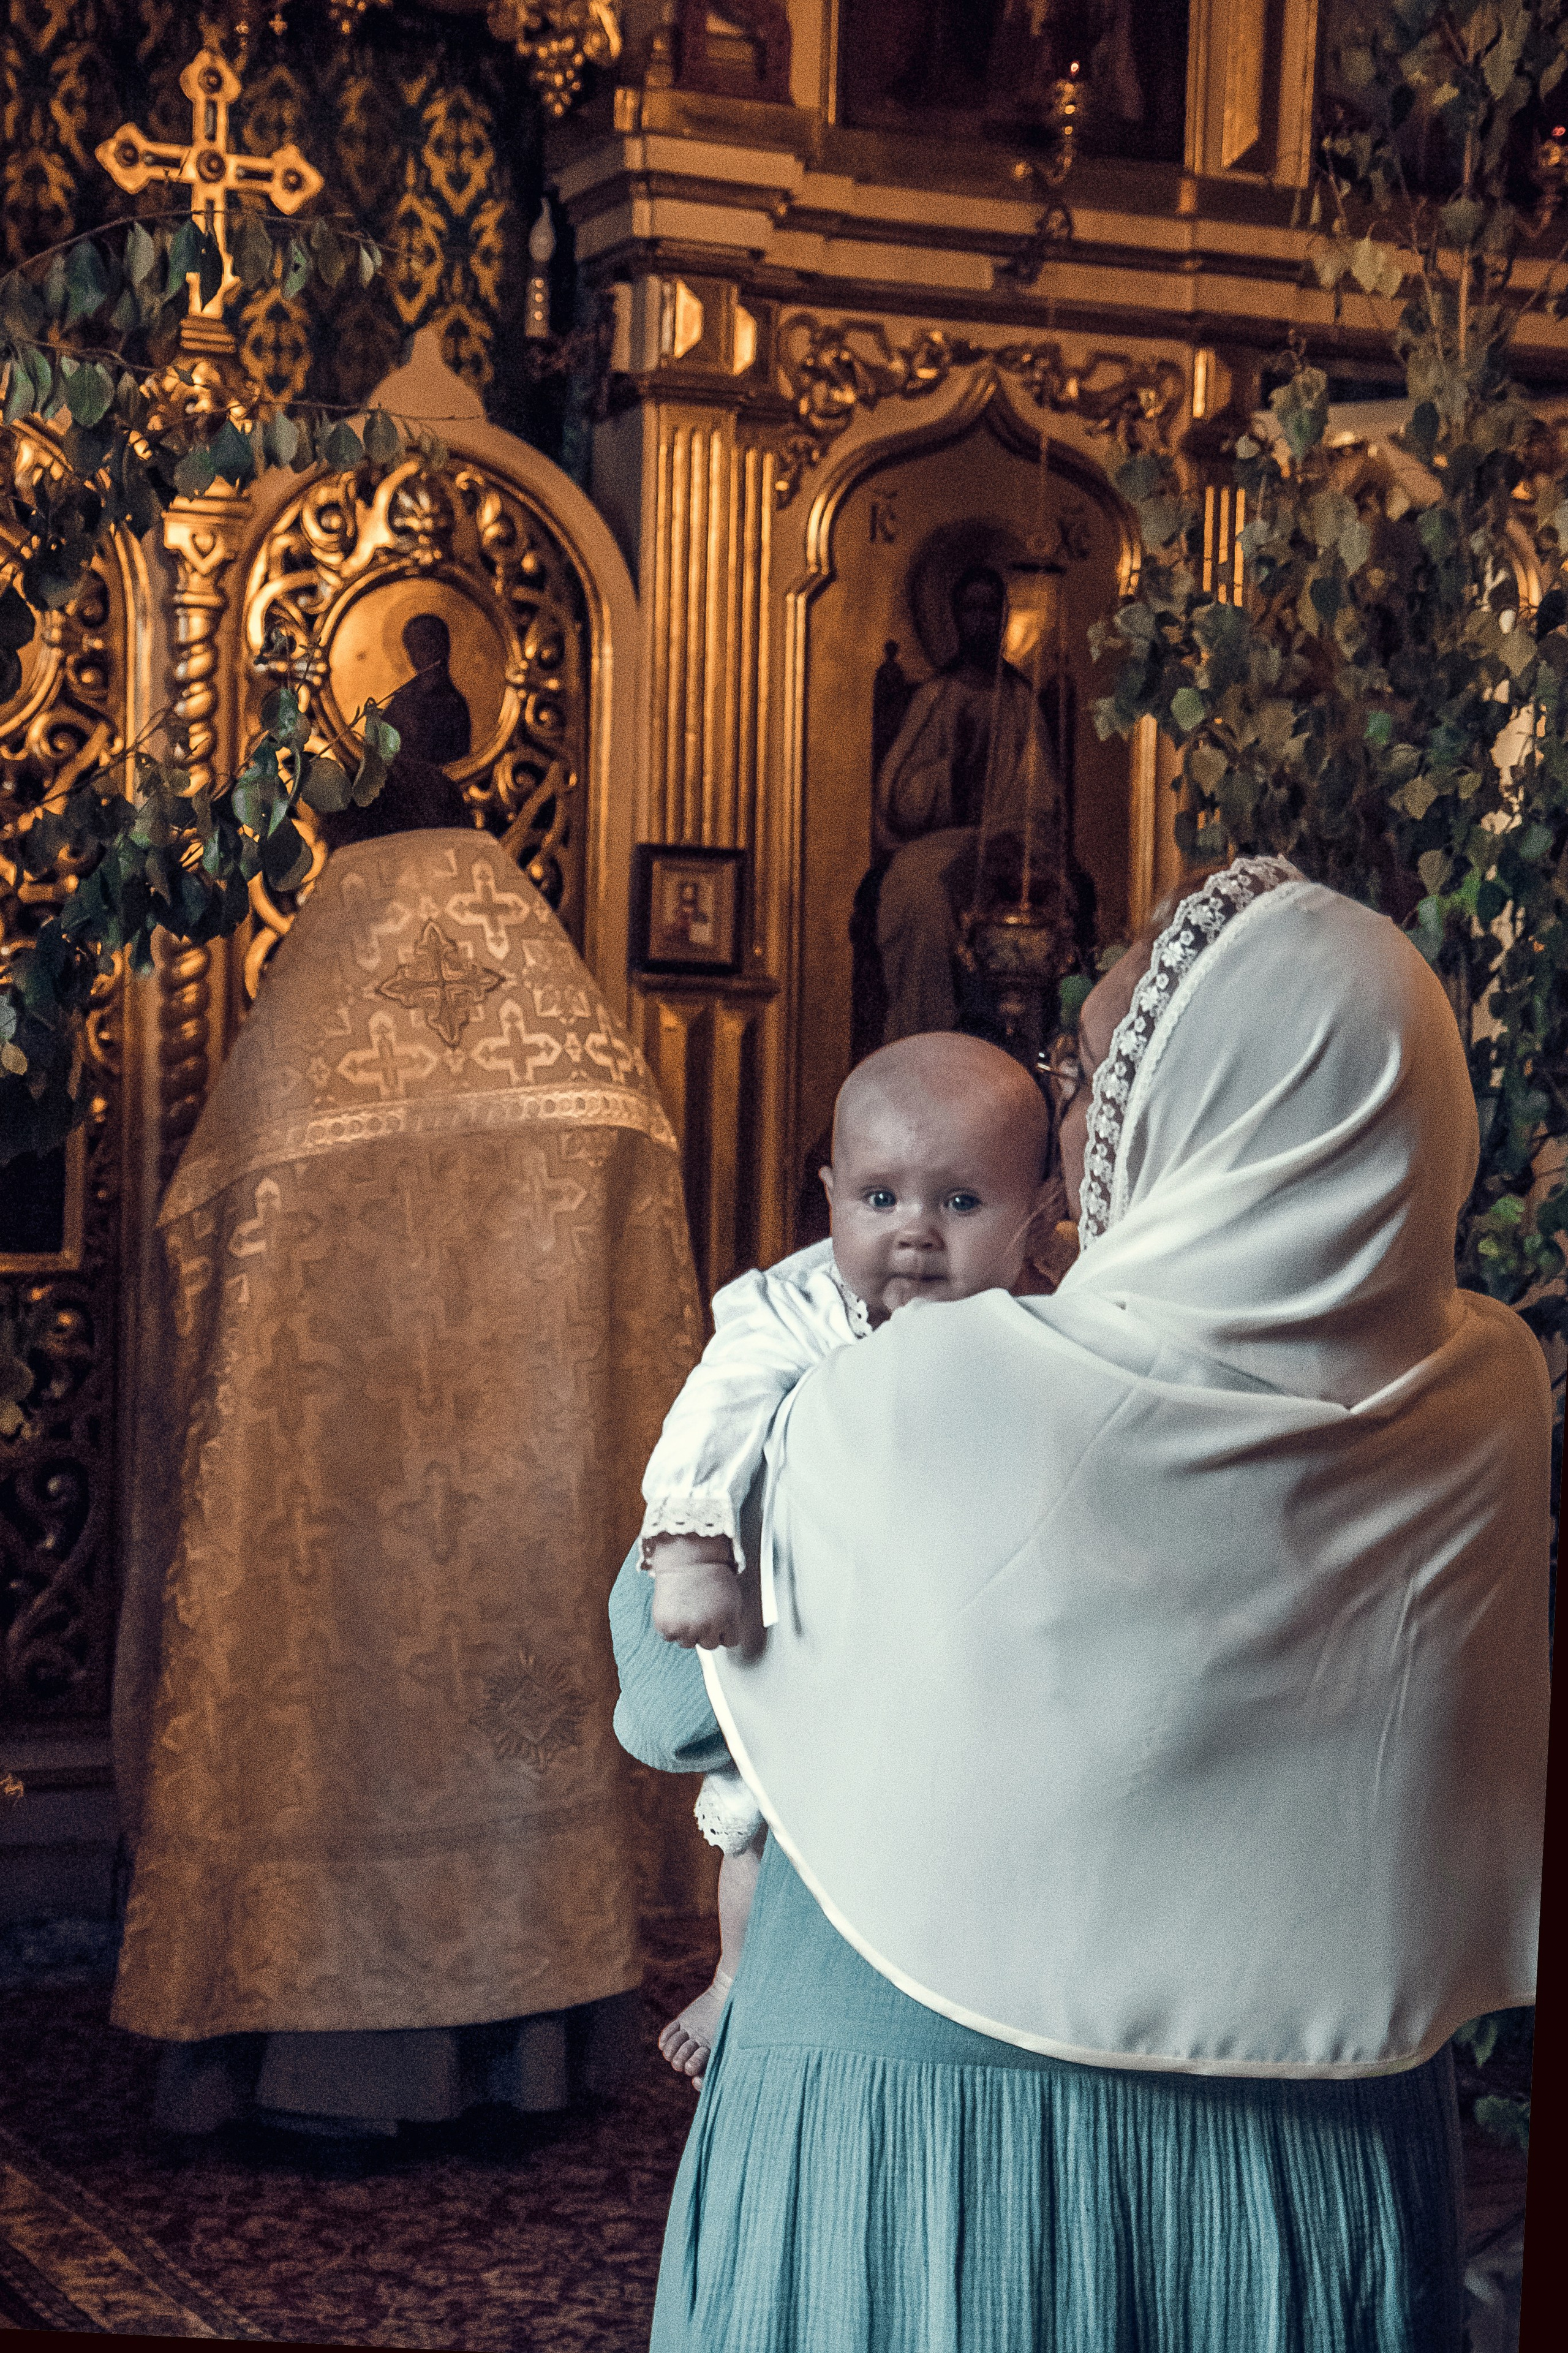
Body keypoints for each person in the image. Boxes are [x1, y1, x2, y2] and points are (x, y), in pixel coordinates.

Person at [611, 855, 1549, 2349]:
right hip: (1318, 2154)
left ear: (1206, 1110)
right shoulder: (1485, 1389)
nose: (1072, 1110)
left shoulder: (925, 1383)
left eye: (1100, 1066)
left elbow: (669, 1697)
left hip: (925, 2144)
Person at [112, 757, 707, 2153]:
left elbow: (196, 1263)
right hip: (523, 1544)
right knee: (512, 1743)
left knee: (322, 1735)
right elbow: (658, 1329)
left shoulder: (296, 1053)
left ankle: (300, 2066)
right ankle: (528, 2058)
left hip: (322, 1554)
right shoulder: (584, 1067)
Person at [639, 1032, 1061, 2080]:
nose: (914, 1232)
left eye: (961, 1204)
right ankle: (736, 1973)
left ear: (1038, 1211)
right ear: (829, 1197)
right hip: (804, 1631)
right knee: (757, 1825)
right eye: (878, 1199)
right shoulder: (791, 1311)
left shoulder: (1055, 1313)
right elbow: (716, 1413)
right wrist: (693, 1549)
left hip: (956, 1649)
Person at [873, 562, 1061, 1041]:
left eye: (990, 609)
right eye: (971, 609)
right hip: (937, 844)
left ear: (1003, 617)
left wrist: (1013, 833)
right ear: (955, 618)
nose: (981, 620)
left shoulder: (1021, 702)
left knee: (1040, 896)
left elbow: (1041, 796)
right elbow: (898, 797)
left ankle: (1023, 1045)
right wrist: (951, 772)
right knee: (918, 889)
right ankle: (926, 1037)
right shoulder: (934, 698)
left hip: (1010, 840)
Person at [380, 613, 472, 771]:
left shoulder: (452, 705)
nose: (415, 656)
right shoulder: (404, 697)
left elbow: (454, 762)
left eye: (423, 646)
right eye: (411, 648)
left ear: (441, 648)